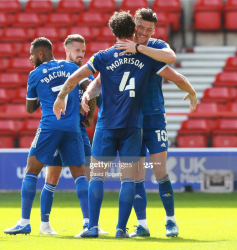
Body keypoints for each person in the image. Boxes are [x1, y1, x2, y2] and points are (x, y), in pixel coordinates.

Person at [53, 11, 168, 238]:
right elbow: (171, 64)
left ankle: (92, 227)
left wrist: (61, 97)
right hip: (133, 127)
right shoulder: (146, 57)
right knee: (128, 179)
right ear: (133, 31)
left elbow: (76, 77)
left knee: (97, 176)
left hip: (106, 126)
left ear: (113, 32)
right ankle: (120, 230)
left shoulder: (102, 57)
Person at [114, 8, 197, 237]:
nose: (144, 32)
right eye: (140, 28)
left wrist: (140, 48)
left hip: (154, 116)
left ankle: (171, 221)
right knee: (138, 174)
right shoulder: (123, 45)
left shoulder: (155, 45)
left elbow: (172, 59)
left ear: (154, 30)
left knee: (160, 170)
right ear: (134, 25)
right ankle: (142, 224)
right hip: (132, 120)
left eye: (149, 29)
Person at [4, 37, 85, 235]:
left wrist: (45, 95)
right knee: (80, 175)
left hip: (50, 127)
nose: (31, 59)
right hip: (73, 128)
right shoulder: (70, 66)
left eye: (32, 55)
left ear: (41, 54)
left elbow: (30, 108)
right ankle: (88, 223)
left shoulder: (35, 74)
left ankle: (24, 222)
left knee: (31, 171)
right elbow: (89, 88)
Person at [39, 34, 108, 236]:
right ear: (66, 50)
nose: (81, 55)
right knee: (52, 177)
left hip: (78, 130)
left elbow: (92, 89)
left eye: (83, 52)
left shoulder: (83, 73)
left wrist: (90, 115)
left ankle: (89, 222)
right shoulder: (60, 70)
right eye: (77, 51)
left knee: (87, 175)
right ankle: (44, 224)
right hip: (58, 129)